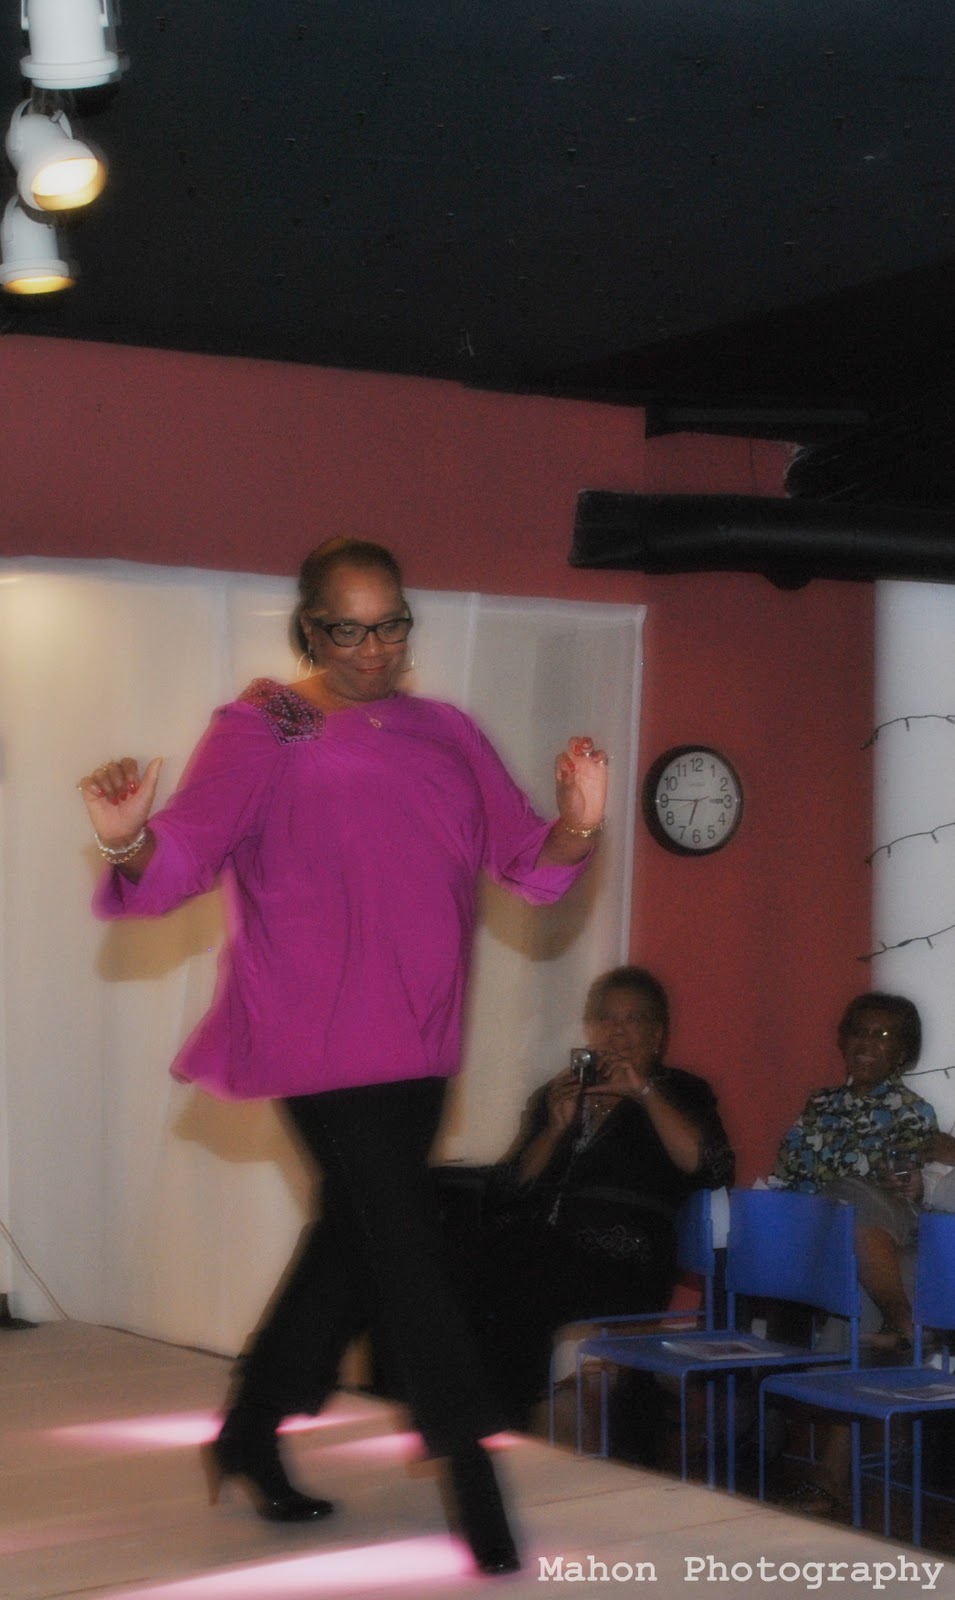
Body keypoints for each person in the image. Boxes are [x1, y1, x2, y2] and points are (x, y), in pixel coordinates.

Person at [77, 537, 608, 1577]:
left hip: (419, 1034)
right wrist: (129, 840)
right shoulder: (272, 720)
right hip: (312, 1032)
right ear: (309, 630)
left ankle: (248, 1429)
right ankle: (470, 1469)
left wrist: (577, 828)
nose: (373, 648)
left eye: (390, 623)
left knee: (357, 1241)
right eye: (347, 628)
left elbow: (522, 856)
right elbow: (185, 852)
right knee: (406, 1244)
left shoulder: (445, 729)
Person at [458, 965, 734, 1436]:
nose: (617, 1032)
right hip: (538, 1247)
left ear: (658, 1035)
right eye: (605, 1019)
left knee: (525, 1294)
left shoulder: (680, 1091)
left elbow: (711, 1166)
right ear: (589, 1028)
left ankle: (518, 1426)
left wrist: (643, 1092)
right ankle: (487, 1425)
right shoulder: (559, 1092)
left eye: (633, 1020)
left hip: (624, 1256)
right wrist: (554, 1129)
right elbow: (505, 1189)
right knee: (468, 1274)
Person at [771, 990, 946, 1516]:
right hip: (836, 1240)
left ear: (902, 1052)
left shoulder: (913, 1111)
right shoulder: (819, 1104)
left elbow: (916, 1189)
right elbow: (789, 1173)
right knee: (845, 1226)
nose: (869, 1042)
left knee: (850, 1203)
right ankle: (905, 1323)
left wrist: (911, 1181)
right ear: (844, 1041)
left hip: (894, 1230)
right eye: (860, 1032)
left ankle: (829, 1476)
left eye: (884, 1035)